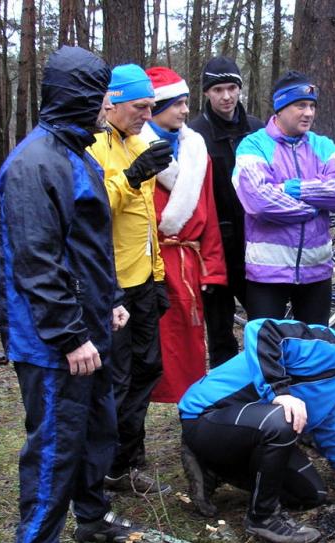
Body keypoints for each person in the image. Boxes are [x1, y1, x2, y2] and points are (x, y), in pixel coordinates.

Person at [0, 46, 139, 543]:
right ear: (78, 94)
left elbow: (85, 246)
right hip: (51, 338)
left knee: (96, 429)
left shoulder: (75, 153)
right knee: (56, 442)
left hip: (89, 325)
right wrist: (70, 334)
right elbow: (37, 260)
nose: (107, 105)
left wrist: (109, 301)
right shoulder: (35, 163)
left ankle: (93, 515)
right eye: (99, 93)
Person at [177, 299, 335, 543]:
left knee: (311, 494)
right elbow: (260, 329)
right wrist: (281, 393)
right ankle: (263, 519)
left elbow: (325, 414)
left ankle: (213, 469)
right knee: (282, 419)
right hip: (206, 416)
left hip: (243, 426)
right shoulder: (328, 346)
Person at [88, 64, 174, 495]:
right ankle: (105, 467)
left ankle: (127, 459)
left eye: (151, 107)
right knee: (116, 377)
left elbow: (147, 221)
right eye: (139, 106)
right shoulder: (93, 148)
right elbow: (93, 206)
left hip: (142, 280)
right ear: (112, 102)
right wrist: (134, 174)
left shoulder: (141, 143)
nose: (146, 113)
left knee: (148, 368)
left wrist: (159, 278)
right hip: (109, 285)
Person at [233, 70, 335, 325]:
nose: (308, 113)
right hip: (267, 274)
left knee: (313, 351)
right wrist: (314, 207)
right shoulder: (253, 146)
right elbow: (259, 201)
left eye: (312, 106)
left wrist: (292, 189)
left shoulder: (323, 145)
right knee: (267, 352)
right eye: (300, 105)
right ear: (280, 108)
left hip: (316, 271)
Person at [138, 66, 227, 403]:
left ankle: (190, 410)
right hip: (148, 263)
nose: (186, 110)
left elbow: (210, 210)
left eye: (187, 102)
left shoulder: (195, 148)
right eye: (177, 103)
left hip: (187, 262)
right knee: (149, 346)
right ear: (158, 107)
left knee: (189, 346)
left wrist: (213, 268)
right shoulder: (134, 146)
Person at [188, 56, 265, 367]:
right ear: (207, 92)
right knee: (219, 330)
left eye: (232, 87)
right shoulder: (194, 134)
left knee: (263, 322)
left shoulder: (258, 130)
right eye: (218, 89)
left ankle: (267, 384)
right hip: (213, 246)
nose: (226, 96)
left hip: (257, 243)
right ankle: (224, 397)